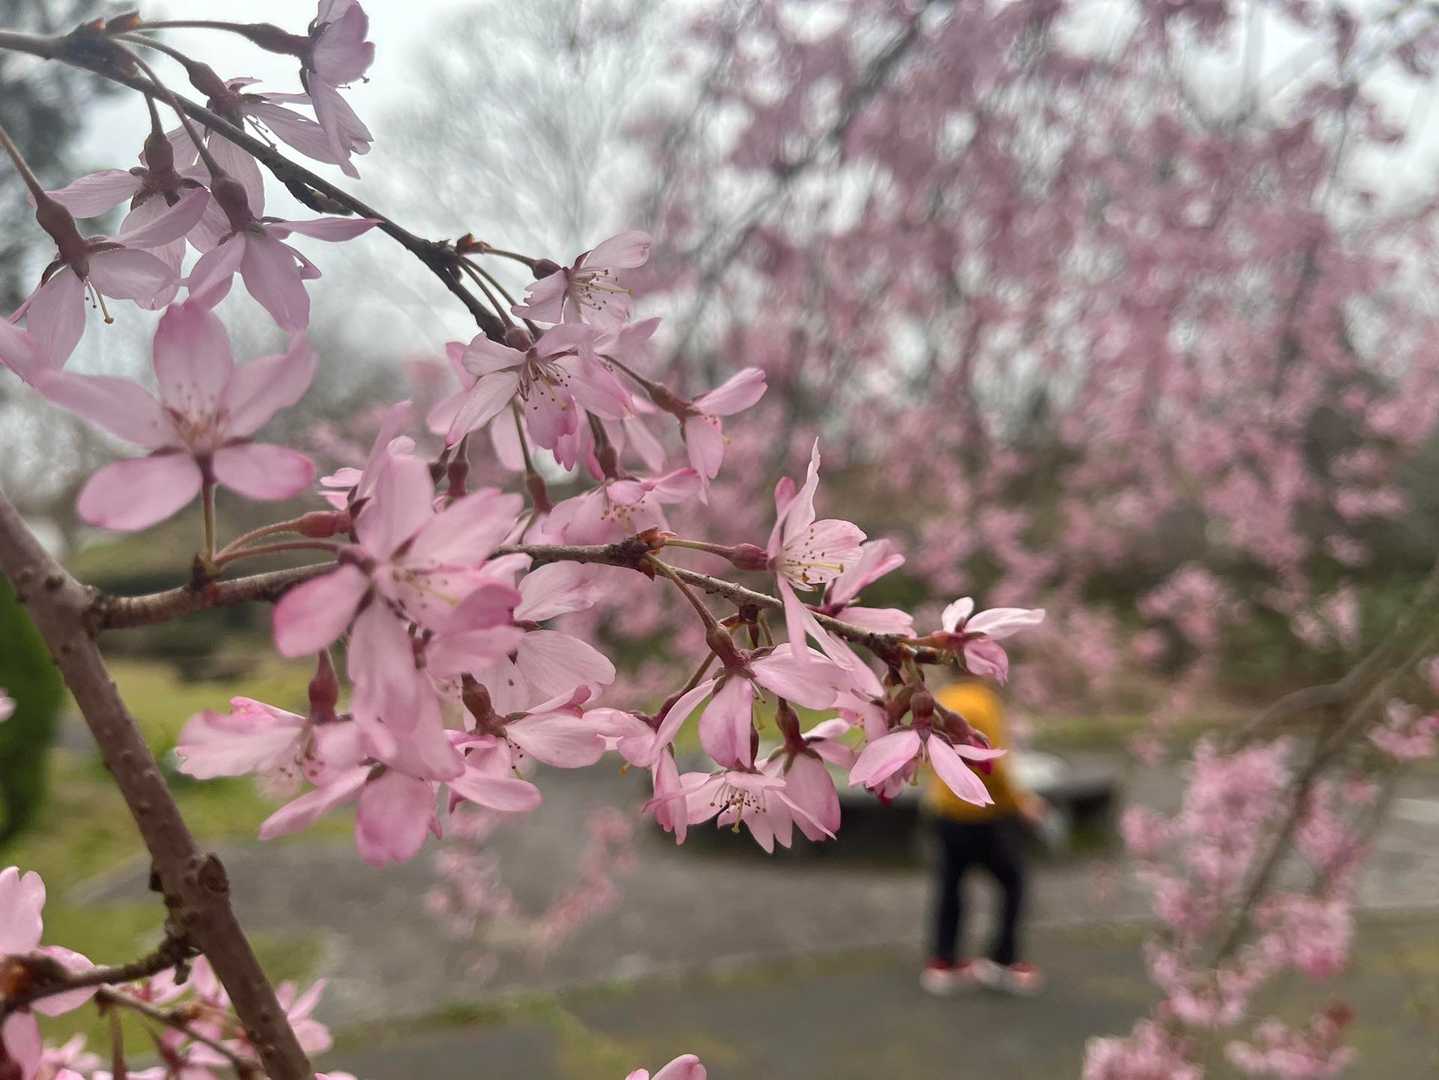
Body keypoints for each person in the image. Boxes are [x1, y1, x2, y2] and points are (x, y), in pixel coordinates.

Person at [920, 678, 1049, 996]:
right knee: (1012, 883)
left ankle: (943, 961)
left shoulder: (943, 698)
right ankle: (1003, 959)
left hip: (945, 810)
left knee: (950, 886)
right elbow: (993, 765)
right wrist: (1021, 803)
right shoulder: (984, 702)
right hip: (986, 814)